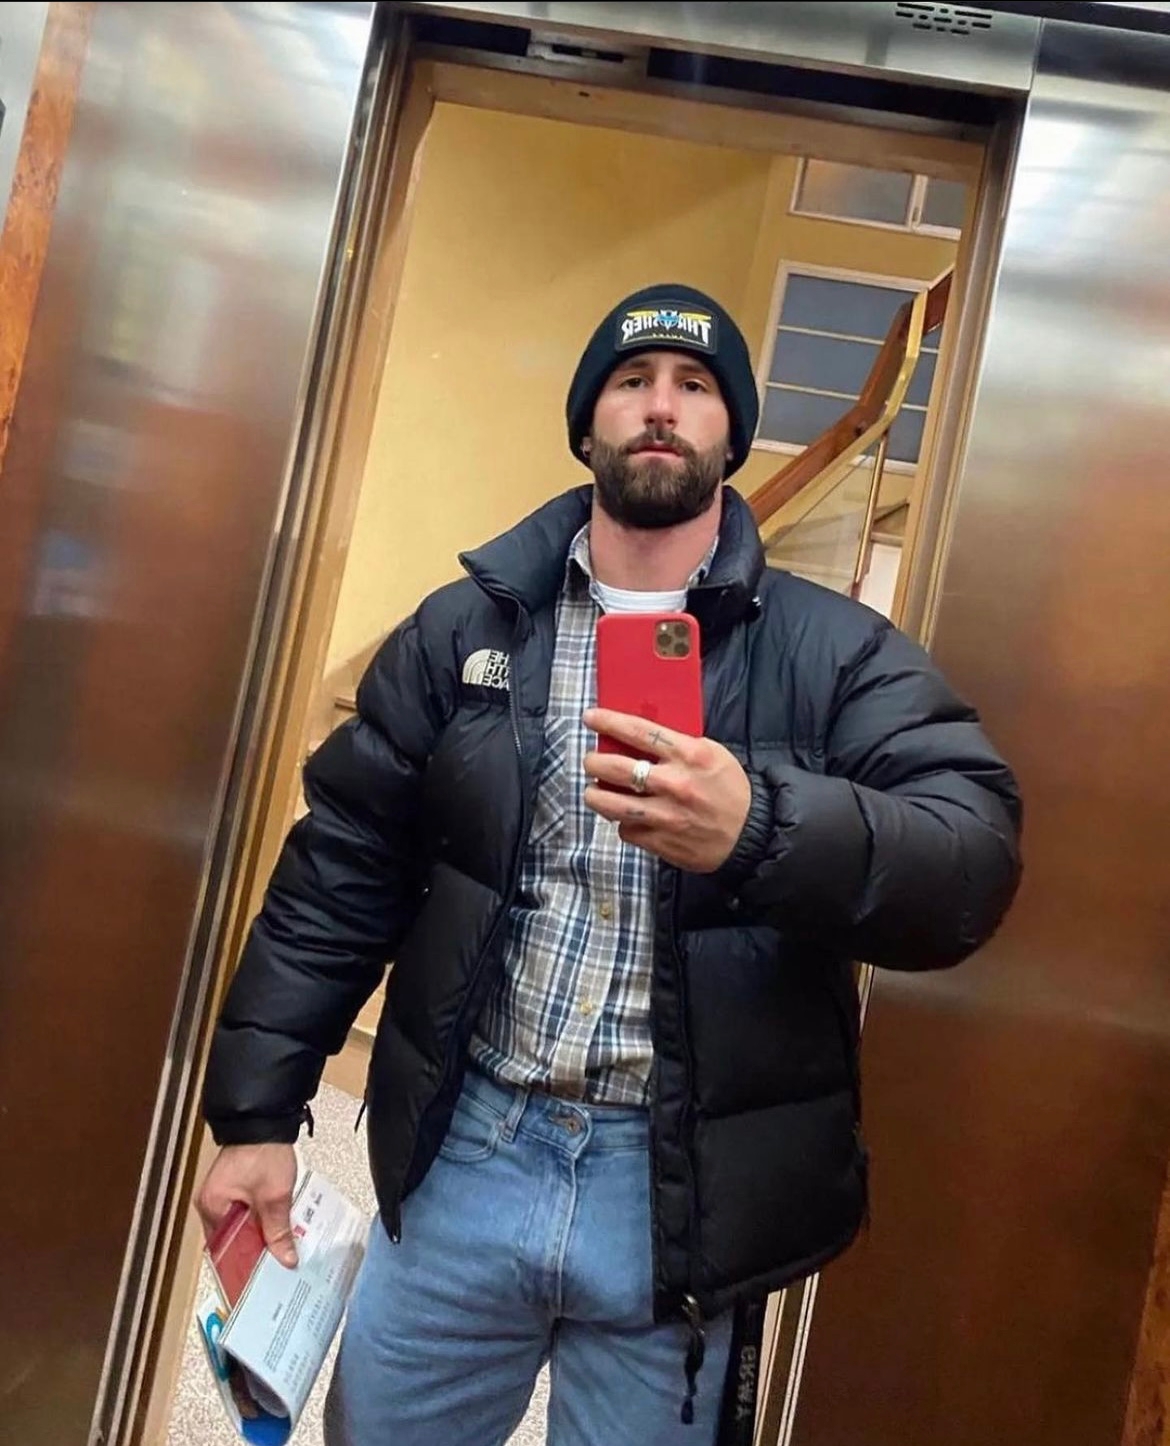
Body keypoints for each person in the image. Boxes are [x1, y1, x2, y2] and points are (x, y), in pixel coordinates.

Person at [197, 283, 1022, 1445]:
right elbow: (339, 875)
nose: (661, 406)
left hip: (677, 1195)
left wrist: (759, 827)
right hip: (468, 1153)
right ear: (587, 424)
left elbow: (970, 860)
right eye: (632, 382)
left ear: (733, 434)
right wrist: (257, 1114)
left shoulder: (832, 654)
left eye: (695, 386)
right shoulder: (464, 632)